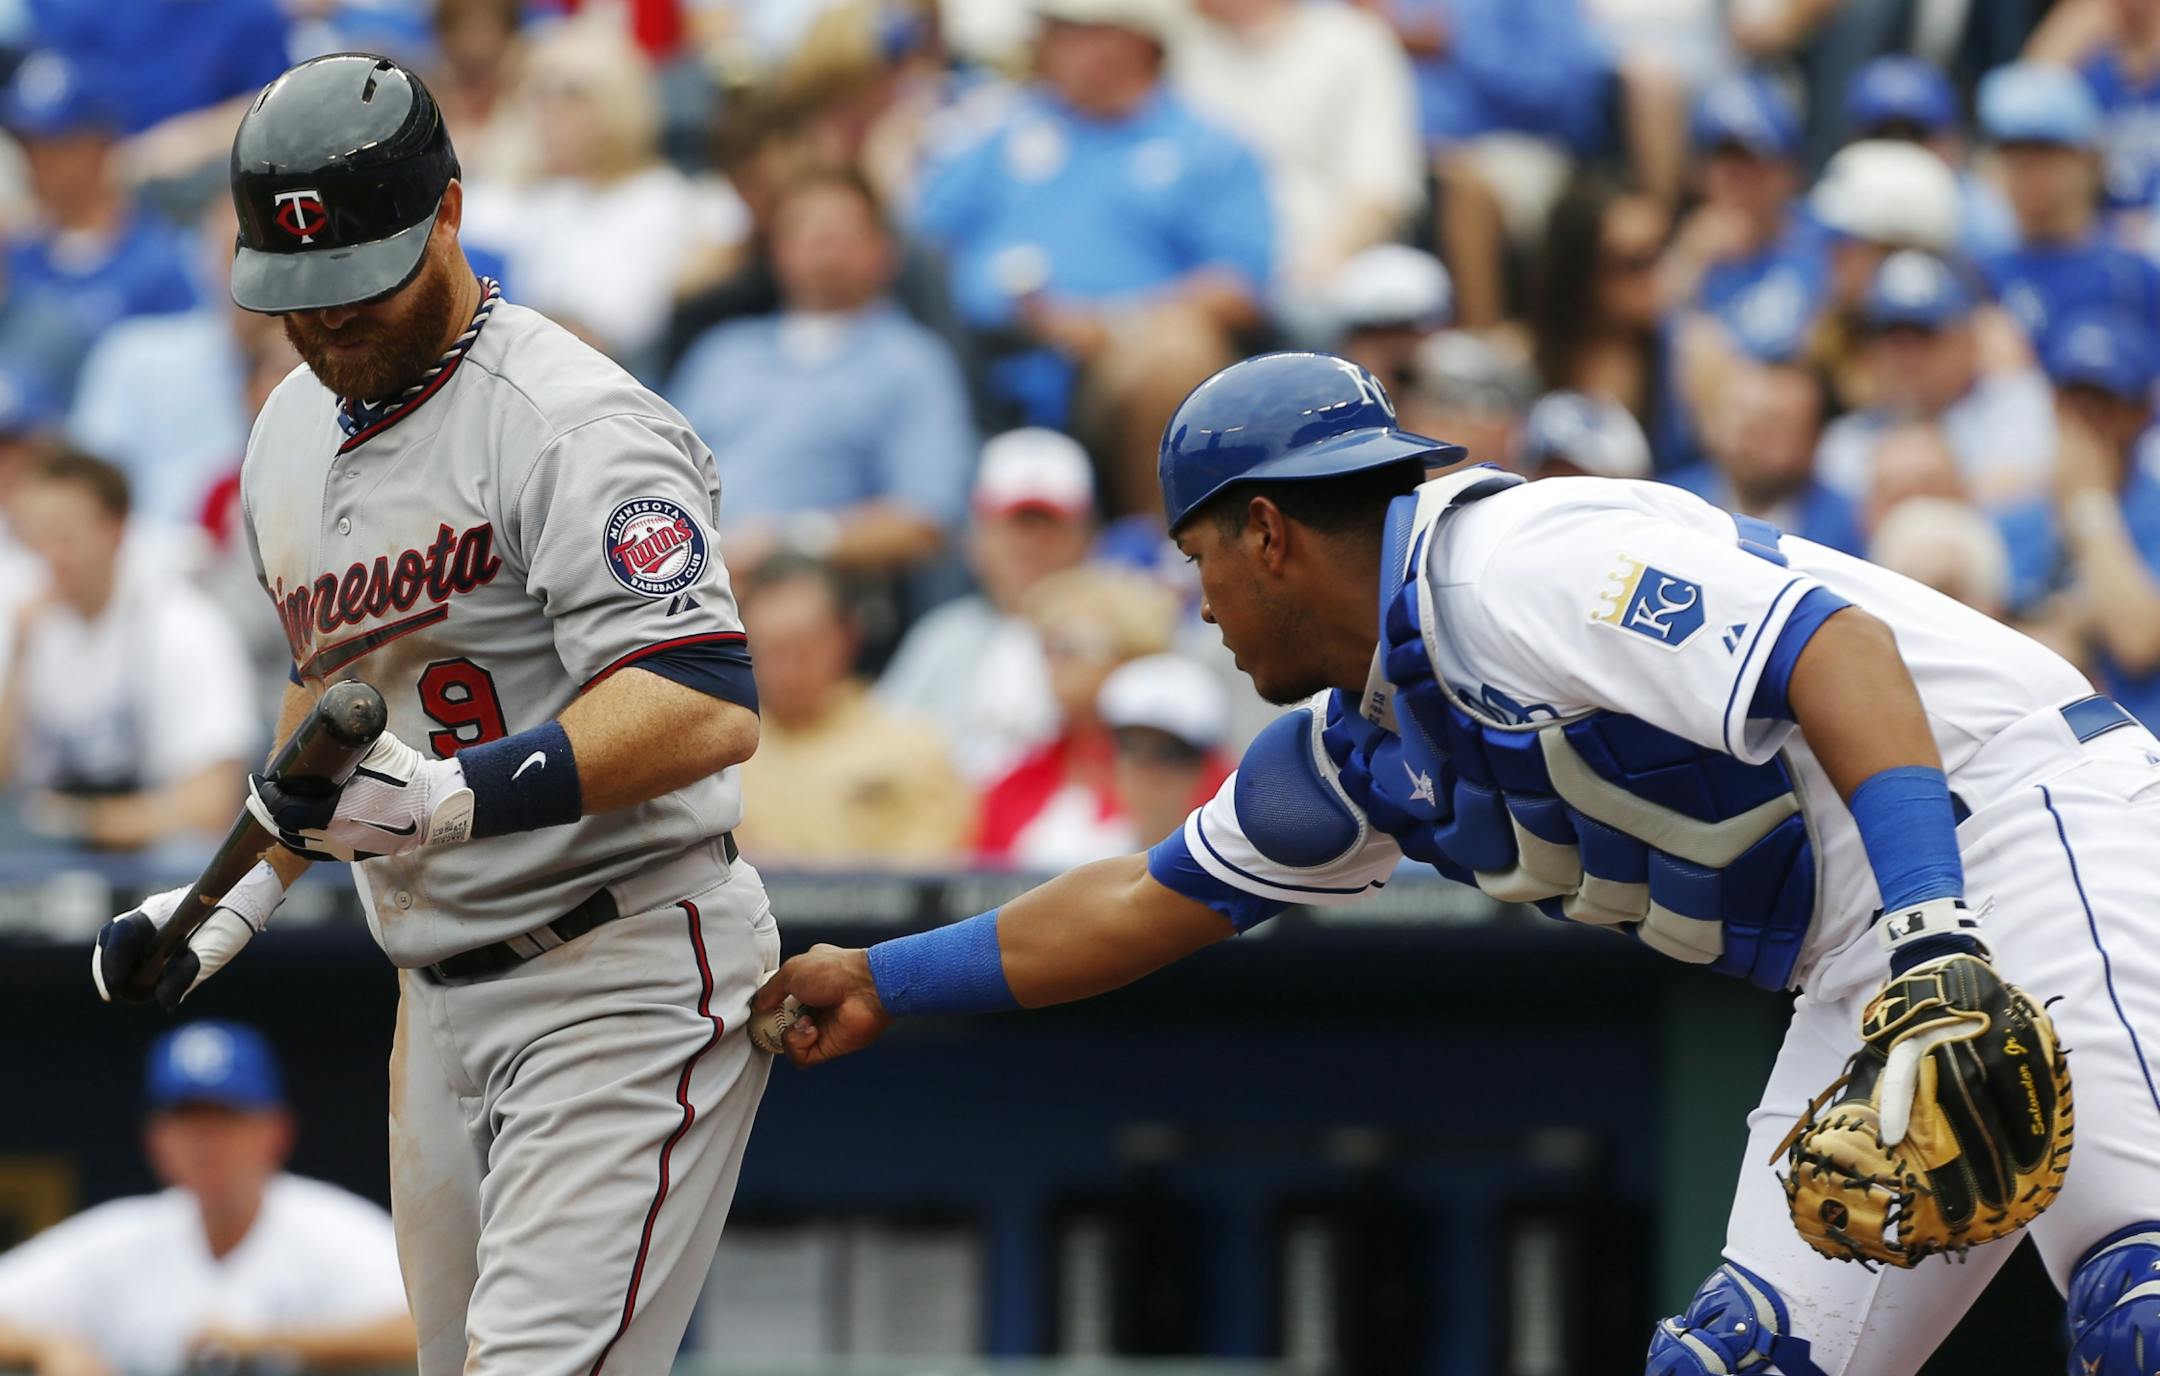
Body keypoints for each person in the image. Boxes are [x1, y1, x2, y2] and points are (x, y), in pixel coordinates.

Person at [758, 350, 2159, 1373]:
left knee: (2137, 1307)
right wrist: (888, 978)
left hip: (2021, 817)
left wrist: (1930, 935)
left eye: (1203, 560)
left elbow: (1834, 650)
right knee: (1742, 1366)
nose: (1201, 604)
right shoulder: (1356, 746)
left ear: (1265, 530)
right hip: (1879, 938)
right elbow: (1143, 899)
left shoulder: (1512, 566)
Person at [88, 56, 777, 1376]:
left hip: (617, 958)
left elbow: (701, 702)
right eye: (300, 291)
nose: (332, 317)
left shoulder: (574, 421)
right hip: (437, 989)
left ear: (450, 214)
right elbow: (338, 711)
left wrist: (461, 797)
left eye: (362, 276)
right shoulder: (285, 428)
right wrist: (233, 893)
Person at [910, 0, 1272, 512]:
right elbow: (919, 238)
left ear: (1137, 42)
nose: (1050, 45)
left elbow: (1237, 288)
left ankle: (1167, 556)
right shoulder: (1002, 127)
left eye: (1073, 31)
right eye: (1053, 30)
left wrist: (1110, 325)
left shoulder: (1209, 146)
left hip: (1116, 363)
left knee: (1175, 355)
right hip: (981, 355)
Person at [0, 1021, 413, 1376]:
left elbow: (437, 1331)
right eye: (188, 1120)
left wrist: (276, 1346)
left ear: (276, 1131)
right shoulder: (123, 1237)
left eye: (226, 1118)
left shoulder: (332, 1228)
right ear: (156, 1140)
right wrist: (48, 1345)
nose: (206, 1142)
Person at [666, 167, 975, 581]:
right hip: (690, 567)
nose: (822, 251)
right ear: (776, 249)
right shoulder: (724, 350)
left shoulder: (912, 363)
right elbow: (659, 469)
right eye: (806, 233)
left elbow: (926, 520)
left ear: (886, 251)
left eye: (841, 235)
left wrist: (793, 542)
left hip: (816, 585)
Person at [0, 451, 256, 852]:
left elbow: (212, 804)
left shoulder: (184, 623)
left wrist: (81, 821)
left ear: (115, 529)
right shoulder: (27, 620)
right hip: (47, 855)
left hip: (157, 862)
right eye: (39, 536)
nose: (50, 553)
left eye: (64, 535)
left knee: (187, 851)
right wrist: (18, 658)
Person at [460, 17, 749, 370]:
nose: (545, 114)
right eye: (538, 95)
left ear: (614, 102)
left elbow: (622, 322)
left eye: (570, 97)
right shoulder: (540, 197)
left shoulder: (664, 199)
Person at [876, 427, 1097, 784]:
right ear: (976, 538)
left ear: (1085, 537)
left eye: (1048, 526)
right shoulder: (942, 639)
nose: (1030, 546)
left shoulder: (1119, 640)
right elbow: (881, 760)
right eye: (1015, 526)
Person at [732, 558, 973, 865]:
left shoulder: (914, 747)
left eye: (803, 648)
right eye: (771, 649)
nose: (788, 670)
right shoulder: (720, 757)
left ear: (848, 636)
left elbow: (930, 877)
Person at [1175, 0, 1423, 295]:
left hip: (1322, 265)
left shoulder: (1353, 40)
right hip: (1198, 276)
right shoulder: (1177, 48)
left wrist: (1324, 261)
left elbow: (1382, 190)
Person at [2005, 310, 2160, 731]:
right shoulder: (2021, 515)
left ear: (2142, 413)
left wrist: (2091, 504)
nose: (2086, 422)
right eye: (2073, 400)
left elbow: (2138, 641)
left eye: (2105, 404)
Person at [1814, 249, 2056, 509]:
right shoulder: (1844, 443)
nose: (1905, 358)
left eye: (1923, 338)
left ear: (1968, 343)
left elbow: (2027, 497)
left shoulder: (2008, 411)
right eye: (1890, 338)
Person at [975, 562, 1178, 869]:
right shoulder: (1013, 782)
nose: (1052, 662)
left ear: (1130, 655)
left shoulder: (1182, 768)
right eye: (1046, 647)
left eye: (1069, 645)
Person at [0, 51, 198, 349]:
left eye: (54, 148)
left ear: (99, 147)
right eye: (28, 147)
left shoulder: (158, 263)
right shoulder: (17, 252)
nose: (36, 164)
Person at [1976, 62, 2160, 348]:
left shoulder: (2133, 277)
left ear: (2090, 160)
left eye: (2045, 154)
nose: (2028, 172)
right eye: (2014, 155)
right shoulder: (1980, 274)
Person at [1666, 361, 1865, 555]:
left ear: (1814, 439)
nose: (1750, 439)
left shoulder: (1853, 528)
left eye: (1774, 424)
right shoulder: (1671, 502)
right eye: (1741, 416)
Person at [1098, 652, 1234, 856]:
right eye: (1130, 746)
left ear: (1202, 767)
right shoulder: (1077, 851)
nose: (1149, 771)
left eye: (1170, 754)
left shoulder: (1230, 862)